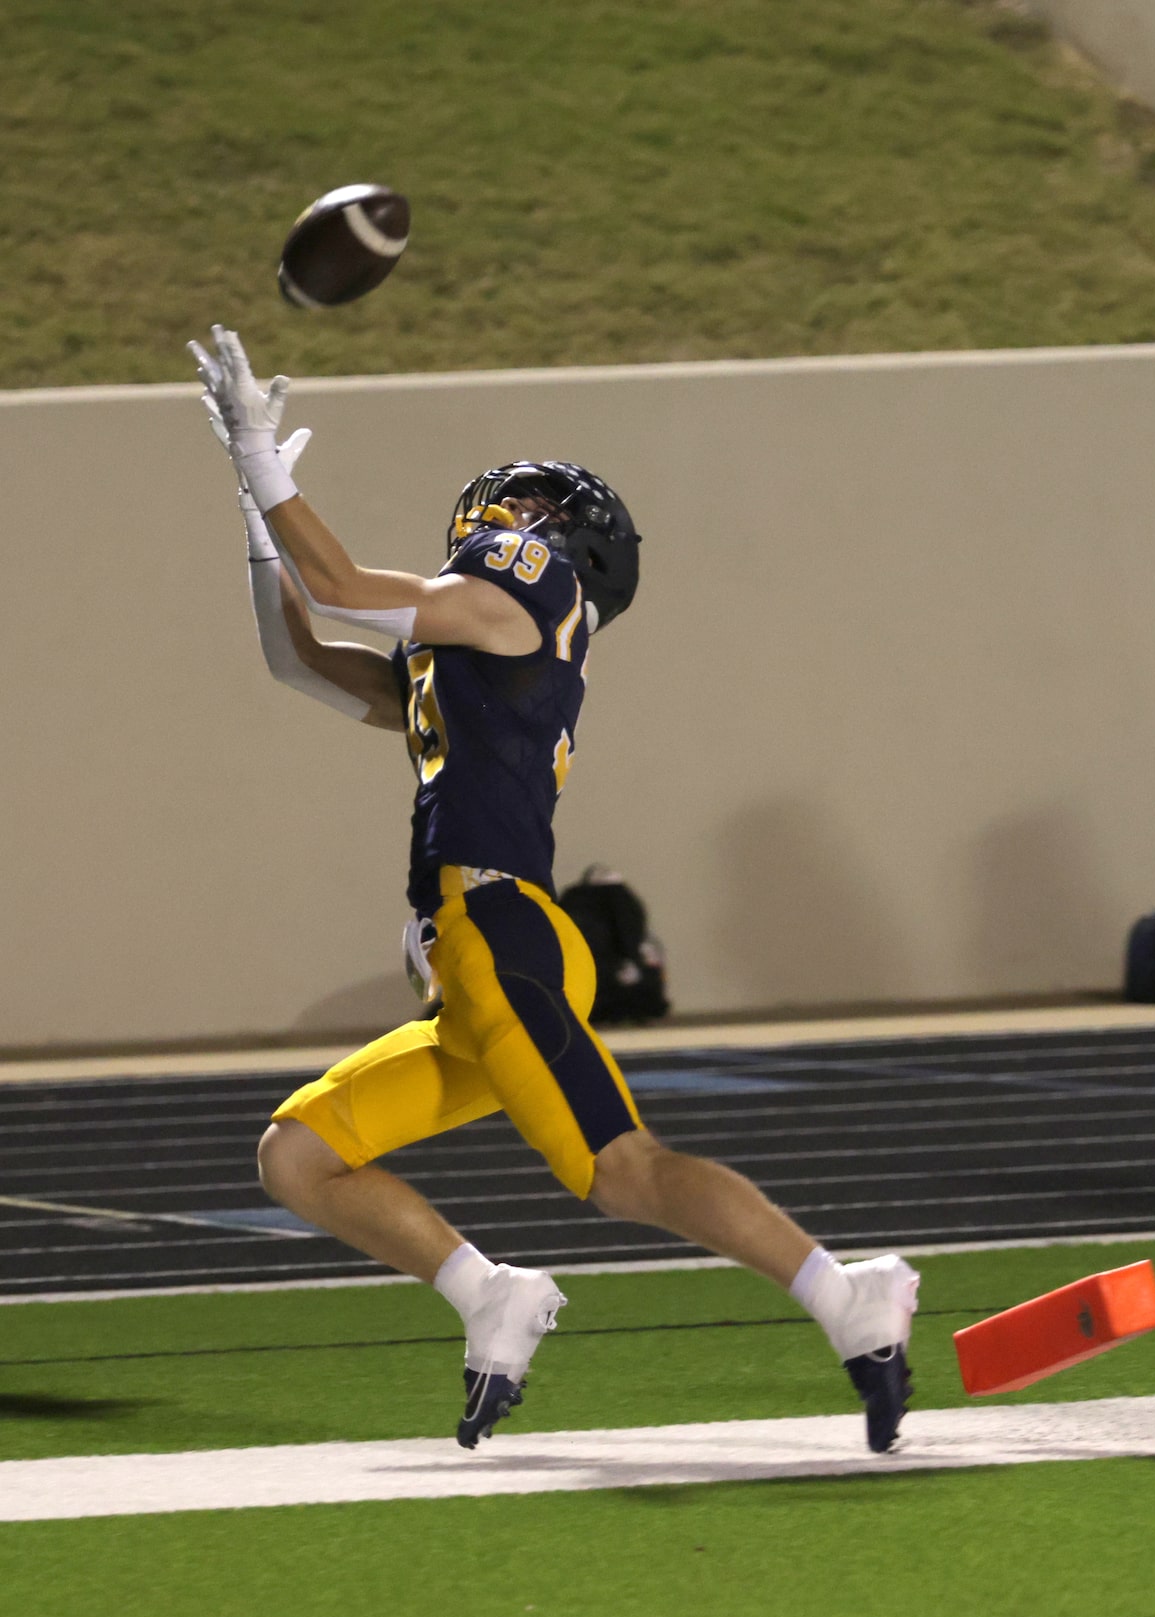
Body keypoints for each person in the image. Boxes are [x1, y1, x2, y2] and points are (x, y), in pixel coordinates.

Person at [187, 326, 920, 1453]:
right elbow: (299, 654)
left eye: (528, 505)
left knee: (625, 1171)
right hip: (479, 953)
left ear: (564, 546)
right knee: (298, 1155)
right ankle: (489, 1292)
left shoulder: (532, 585)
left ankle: (843, 1292)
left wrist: (263, 458)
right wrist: (254, 511)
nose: (502, 512)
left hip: (500, 929)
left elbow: (336, 588)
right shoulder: (472, 656)